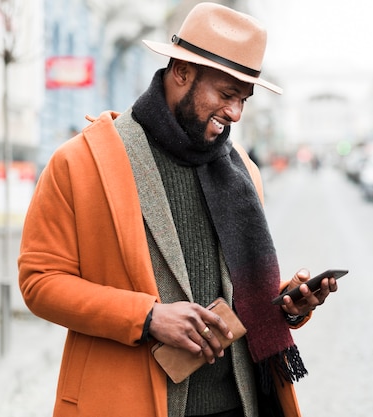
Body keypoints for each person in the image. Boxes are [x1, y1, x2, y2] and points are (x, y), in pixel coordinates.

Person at [18, 3, 337, 417]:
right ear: (182, 72)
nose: (235, 113)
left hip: (240, 405)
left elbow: (239, 295)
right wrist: (147, 317)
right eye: (226, 94)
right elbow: (39, 282)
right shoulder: (81, 162)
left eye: (243, 99)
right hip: (125, 404)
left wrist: (286, 305)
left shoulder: (244, 172)